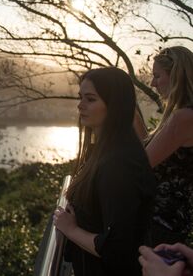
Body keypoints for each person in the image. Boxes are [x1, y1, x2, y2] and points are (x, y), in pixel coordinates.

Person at [54, 67, 156, 275]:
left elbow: (118, 248)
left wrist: (71, 229)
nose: (80, 105)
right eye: (80, 97)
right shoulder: (106, 151)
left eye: (90, 99)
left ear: (115, 106)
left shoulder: (119, 164)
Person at [141, 46, 193, 245]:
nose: (153, 83)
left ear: (177, 76)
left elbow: (141, 165)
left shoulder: (183, 118)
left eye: (157, 76)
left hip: (161, 225)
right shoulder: (182, 115)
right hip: (170, 223)